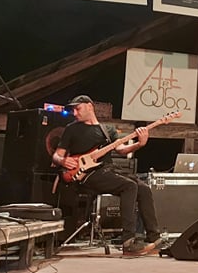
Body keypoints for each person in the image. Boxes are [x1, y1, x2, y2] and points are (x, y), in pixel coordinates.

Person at [52, 95, 162, 256]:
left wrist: (140, 144)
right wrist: (63, 161)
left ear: (90, 106)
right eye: (73, 110)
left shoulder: (108, 130)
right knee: (129, 186)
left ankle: (155, 239)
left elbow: (122, 150)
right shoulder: (72, 129)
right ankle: (128, 242)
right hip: (87, 175)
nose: (75, 113)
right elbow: (56, 155)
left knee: (144, 188)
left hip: (108, 170)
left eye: (78, 109)